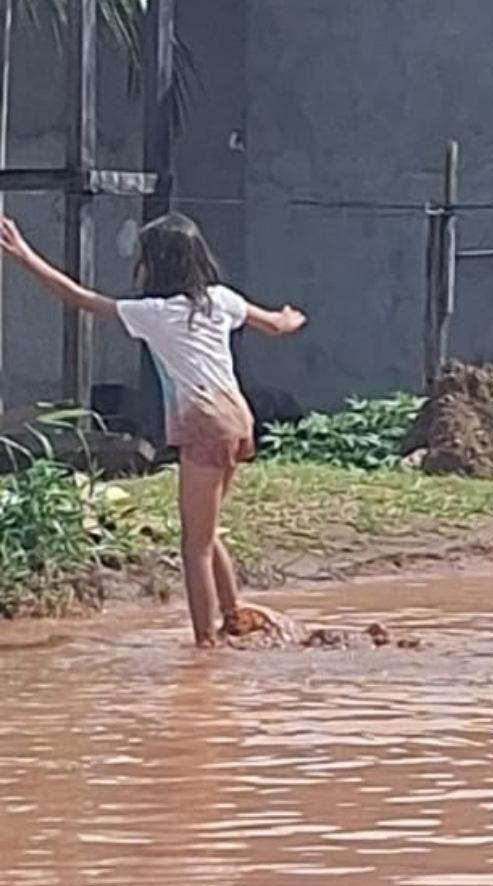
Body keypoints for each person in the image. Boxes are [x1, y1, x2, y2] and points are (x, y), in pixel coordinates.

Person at [1, 214, 306, 646]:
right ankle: (233, 615)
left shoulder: (153, 313)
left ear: (154, 265)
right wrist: (291, 317)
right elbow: (275, 325)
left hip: (204, 422)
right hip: (238, 420)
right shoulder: (221, 300)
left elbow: (80, 298)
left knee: (193, 546)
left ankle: (206, 646)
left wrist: (25, 256)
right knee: (208, 529)